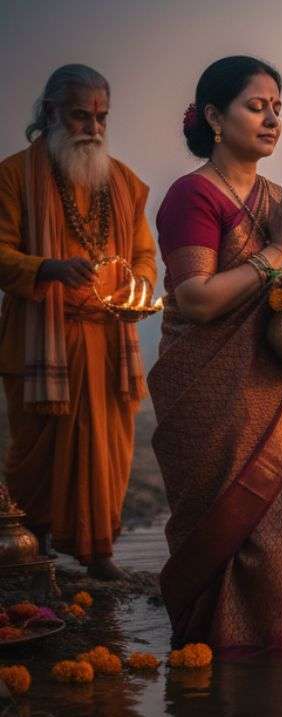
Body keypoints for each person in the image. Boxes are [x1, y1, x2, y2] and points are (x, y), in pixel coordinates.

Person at [150, 55, 282, 649]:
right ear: (214, 115)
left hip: (280, 390)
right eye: (255, 107)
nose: (270, 120)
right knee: (231, 530)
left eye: (277, 109)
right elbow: (197, 299)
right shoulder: (193, 196)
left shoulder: (281, 200)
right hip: (213, 394)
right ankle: (221, 664)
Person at [0, 64, 156, 579]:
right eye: (80, 116)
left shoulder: (126, 183)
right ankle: (33, 544)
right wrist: (48, 267)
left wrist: (137, 288)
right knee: (37, 454)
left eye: (100, 117)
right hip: (40, 341)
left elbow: (143, 256)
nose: (92, 127)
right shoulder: (13, 176)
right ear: (49, 114)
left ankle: (100, 553)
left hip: (110, 340)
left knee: (109, 451)